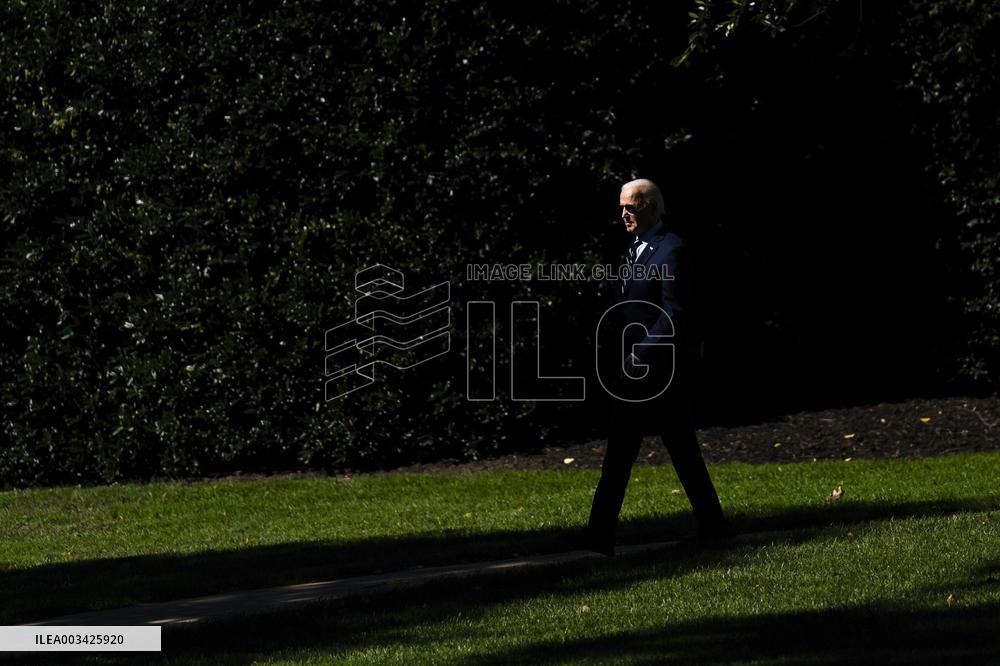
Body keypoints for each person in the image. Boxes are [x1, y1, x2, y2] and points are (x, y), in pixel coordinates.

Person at [582, 178, 730, 556]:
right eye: (621, 207)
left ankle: (711, 526)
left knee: (678, 452)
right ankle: (600, 535)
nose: (623, 214)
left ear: (650, 206)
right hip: (635, 372)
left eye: (630, 207)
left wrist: (640, 355)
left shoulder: (671, 251)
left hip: (660, 374)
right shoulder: (636, 249)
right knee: (624, 452)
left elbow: (673, 312)